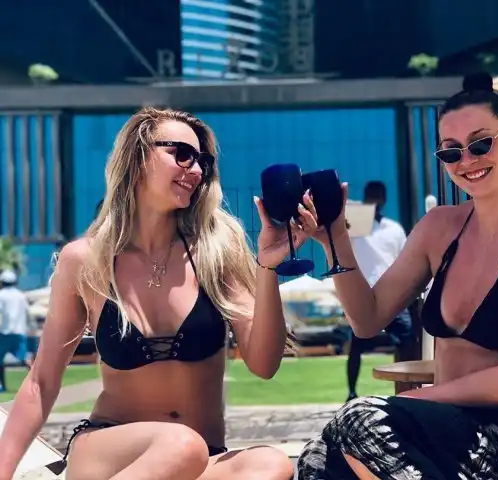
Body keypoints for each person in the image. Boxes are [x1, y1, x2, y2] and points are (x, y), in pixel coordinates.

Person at [0, 106, 320, 480]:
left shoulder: (218, 249)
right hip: (109, 452)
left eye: (203, 161)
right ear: (137, 157)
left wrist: (267, 266)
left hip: (200, 458)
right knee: (181, 445)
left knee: (270, 464)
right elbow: (41, 383)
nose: (196, 170)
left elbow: (264, 365)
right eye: (182, 154)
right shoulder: (85, 260)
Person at [298, 73, 498, 479]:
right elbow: (367, 320)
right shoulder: (438, 228)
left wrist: (421, 398)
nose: (467, 161)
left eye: (481, 144)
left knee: (358, 420)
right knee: (318, 458)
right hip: (442, 428)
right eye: (451, 152)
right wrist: (335, 239)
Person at [344, 181, 415, 401]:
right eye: (370, 196)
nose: (374, 200)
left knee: (408, 340)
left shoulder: (394, 229)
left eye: (377, 196)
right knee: (356, 345)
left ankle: (407, 388)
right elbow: (338, 223)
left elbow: (404, 260)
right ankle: (352, 391)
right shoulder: (354, 225)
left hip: (393, 295)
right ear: (365, 198)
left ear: (384, 199)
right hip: (364, 294)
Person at [0, 269, 31, 392]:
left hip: (5, 332)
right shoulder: (21, 295)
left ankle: (2, 386)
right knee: (24, 359)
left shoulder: (1, 295)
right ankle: (38, 381)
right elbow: (27, 312)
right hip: (20, 332)